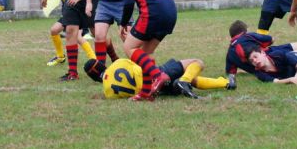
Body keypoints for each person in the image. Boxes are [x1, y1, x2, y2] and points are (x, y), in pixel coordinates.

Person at [120, 0, 177, 101]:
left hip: (153, 14)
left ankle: (158, 75)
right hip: (171, 14)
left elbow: (127, 4)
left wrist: (123, 23)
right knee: (145, 53)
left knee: (129, 47)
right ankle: (146, 92)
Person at [90, 57, 230, 99]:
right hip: (156, 76)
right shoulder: (118, 63)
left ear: (95, 79)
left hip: (153, 91)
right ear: (102, 65)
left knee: (184, 80)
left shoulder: (108, 93)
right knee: (197, 63)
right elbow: (142, 62)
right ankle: (225, 83)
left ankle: (226, 83)